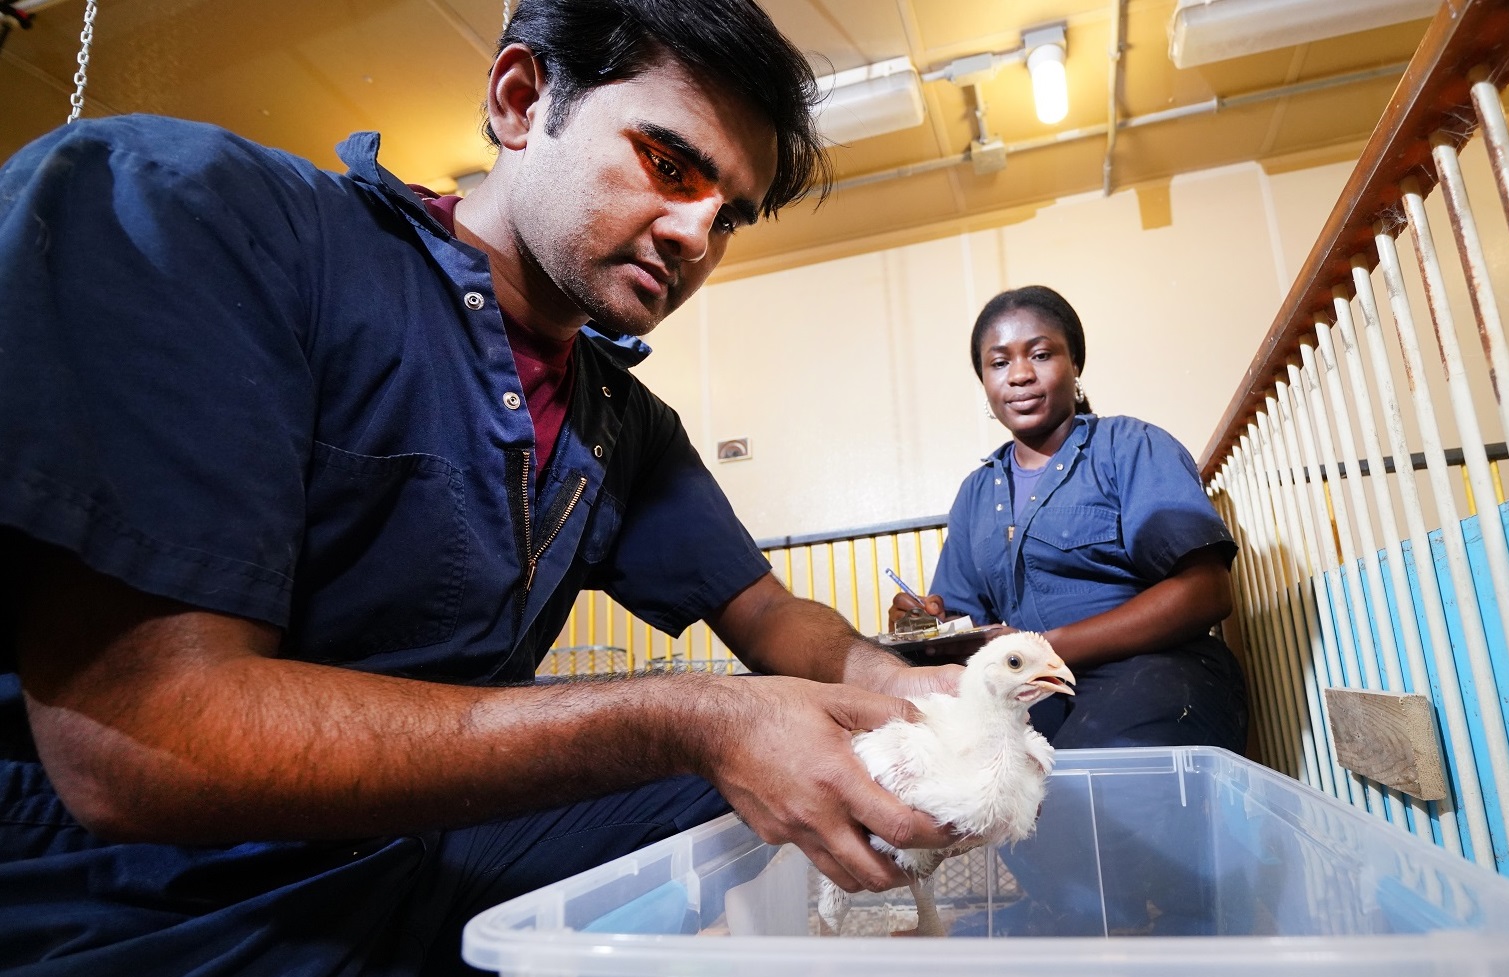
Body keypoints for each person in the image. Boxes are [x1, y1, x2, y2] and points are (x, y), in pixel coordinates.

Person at [0, 1, 963, 973]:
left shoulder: (618, 422)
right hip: (139, 895)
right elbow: (138, 743)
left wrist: (894, 679)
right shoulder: (212, 217)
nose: (694, 236)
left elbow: (769, 614)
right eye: (670, 167)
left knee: (820, 778)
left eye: (728, 215)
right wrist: (689, 712)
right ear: (519, 99)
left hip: (409, 851)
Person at [890, 285, 1247, 752]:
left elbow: (1206, 592)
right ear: (984, 383)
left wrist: (1046, 648)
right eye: (999, 363)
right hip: (1032, 694)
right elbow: (963, 626)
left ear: (1074, 365)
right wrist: (923, 626)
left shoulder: (1130, 445)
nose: (1019, 375)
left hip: (1155, 669)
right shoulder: (975, 493)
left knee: (1089, 777)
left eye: (1039, 355)